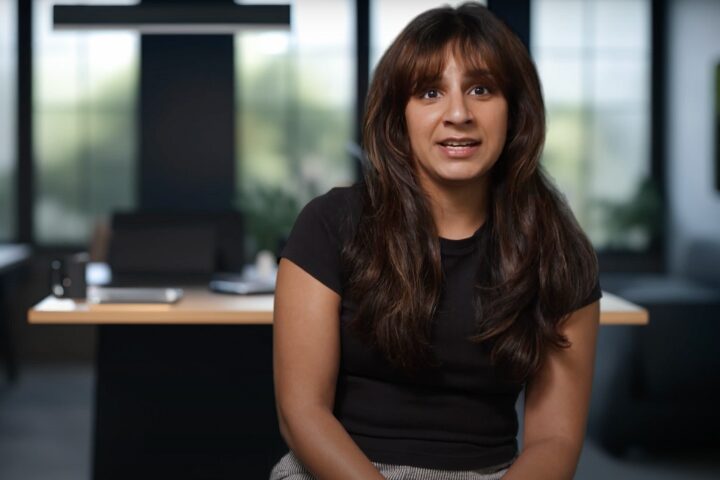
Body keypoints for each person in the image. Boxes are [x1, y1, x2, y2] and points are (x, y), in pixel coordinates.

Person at [270, 2, 601, 479]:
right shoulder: (328, 224)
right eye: (429, 92)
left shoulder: (559, 251)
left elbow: (556, 439)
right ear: (398, 116)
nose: (459, 113)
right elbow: (302, 413)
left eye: (481, 90)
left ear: (515, 109)